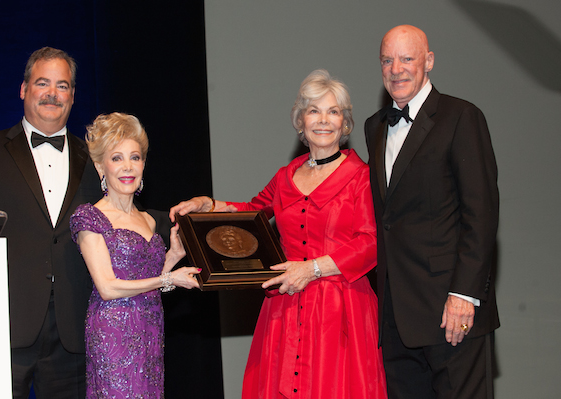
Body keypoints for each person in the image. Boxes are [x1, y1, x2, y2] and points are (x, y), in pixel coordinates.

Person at [171, 69, 387, 399]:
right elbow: (253, 212)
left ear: (345, 123)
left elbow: (372, 243)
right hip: (286, 308)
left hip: (340, 311)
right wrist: (208, 203)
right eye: (314, 110)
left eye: (333, 111)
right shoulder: (287, 175)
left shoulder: (361, 177)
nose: (323, 120)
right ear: (300, 121)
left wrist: (312, 268)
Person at [364, 25, 499, 399]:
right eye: (387, 60)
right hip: (395, 316)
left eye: (407, 58)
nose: (396, 69)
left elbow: (481, 214)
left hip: (450, 310)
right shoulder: (374, 127)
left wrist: (464, 295)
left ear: (429, 61)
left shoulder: (461, 116)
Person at [0, 47, 101, 398]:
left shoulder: (95, 158)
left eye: (63, 85)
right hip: (2, 326)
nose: (53, 93)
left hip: (74, 326)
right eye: (43, 83)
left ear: (72, 96)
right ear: (24, 90)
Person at [70, 112, 201, 398]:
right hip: (112, 332)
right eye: (116, 158)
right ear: (100, 166)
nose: (127, 166)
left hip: (150, 328)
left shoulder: (149, 221)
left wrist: (173, 257)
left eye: (135, 157)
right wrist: (170, 278)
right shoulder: (89, 217)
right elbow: (107, 287)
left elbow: (147, 280)